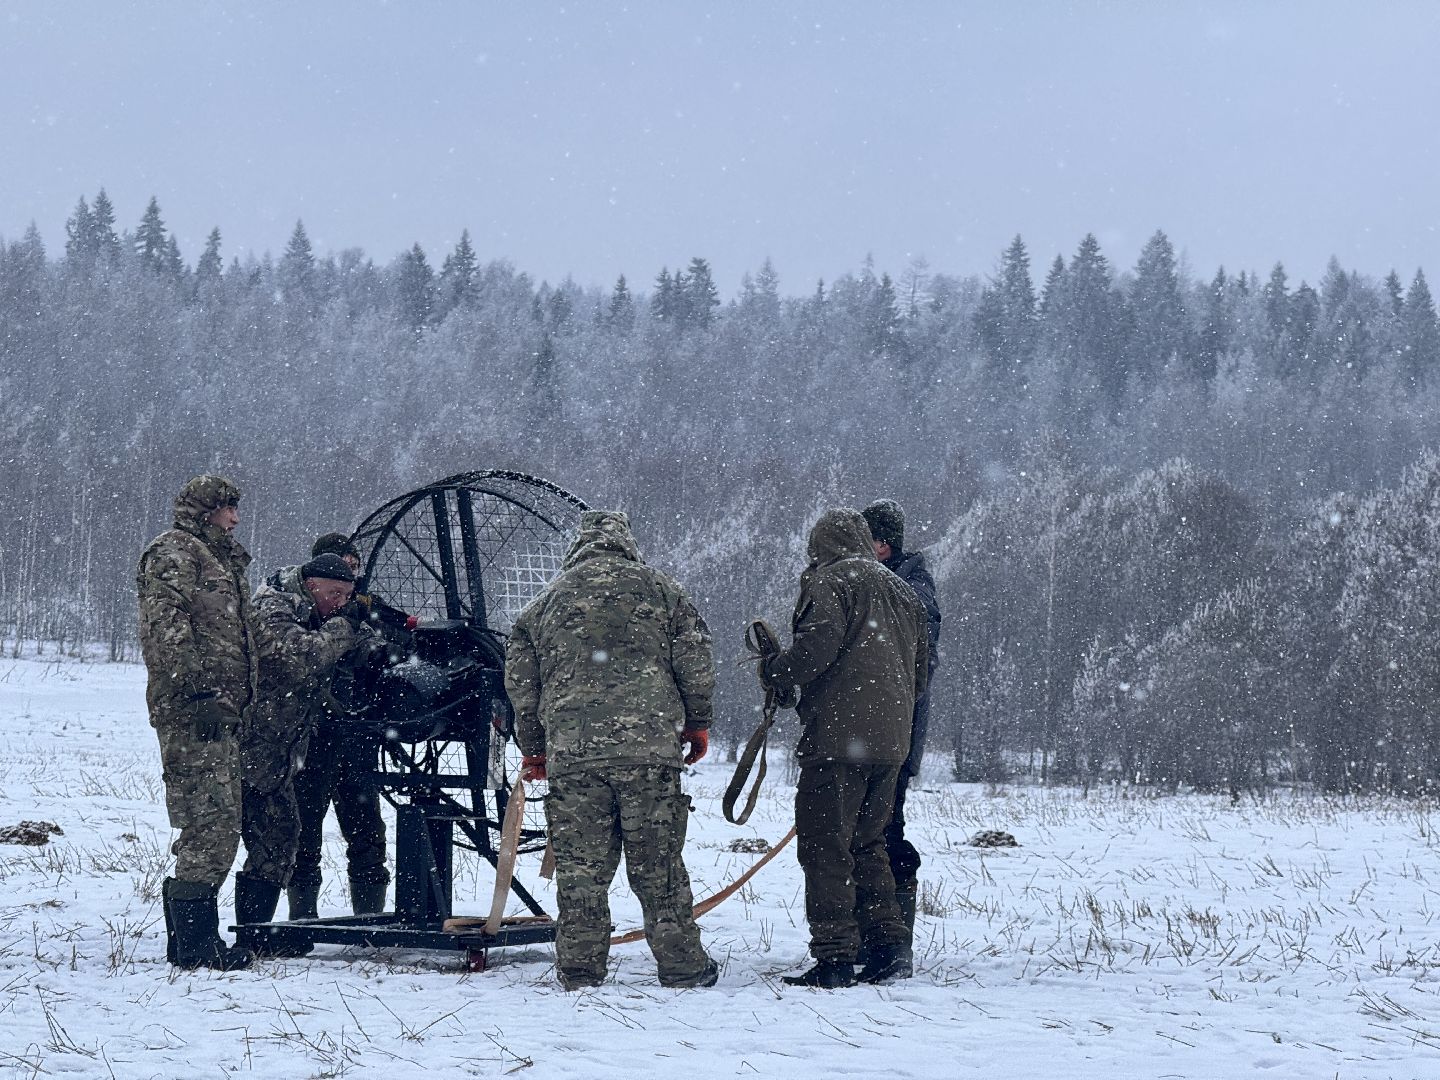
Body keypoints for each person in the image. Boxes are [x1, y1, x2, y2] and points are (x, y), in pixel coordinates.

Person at [504, 510, 718, 991]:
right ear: (627, 542)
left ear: (578, 546)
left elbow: (521, 685)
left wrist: (535, 749)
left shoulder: (542, 606)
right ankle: (682, 966)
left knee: (581, 871)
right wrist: (698, 723)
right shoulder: (663, 590)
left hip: (573, 757)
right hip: (648, 752)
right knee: (658, 865)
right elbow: (696, 660)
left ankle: (580, 969)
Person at [760, 507, 928, 988]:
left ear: (821, 546)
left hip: (838, 742)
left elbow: (816, 649)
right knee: (869, 845)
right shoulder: (901, 589)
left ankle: (834, 958)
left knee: (825, 848)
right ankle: (889, 949)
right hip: (891, 744)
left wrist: (776, 669)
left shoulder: (831, 582)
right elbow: (919, 670)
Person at [137, 474, 257, 971]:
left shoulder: (223, 559)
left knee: (221, 821)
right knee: (208, 823)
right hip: (194, 713)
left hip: (225, 711)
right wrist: (198, 690)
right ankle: (195, 948)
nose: (235, 518)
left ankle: (192, 943)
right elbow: (165, 627)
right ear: (207, 510)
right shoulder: (174, 553)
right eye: (228, 508)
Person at [237, 553, 369, 953]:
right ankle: (215, 934)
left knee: (280, 834)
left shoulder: (314, 610)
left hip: (278, 745)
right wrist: (345, 628)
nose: (338, 603)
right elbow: (299, 659)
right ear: (310, 585)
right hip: (249, 743)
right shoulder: (274, 604)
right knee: (228, 838)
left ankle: (254, 933)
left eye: (346, 597)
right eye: (333, 594)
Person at [288, 534, 391, 919]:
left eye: (353, 563)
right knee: (305, 831)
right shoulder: (297, 610)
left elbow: (388, 640)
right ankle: (302, 919)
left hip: (357, 735)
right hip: (313, 737)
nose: (350, 569)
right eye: (340, 563)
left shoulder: (365, 608)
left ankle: (369, 920)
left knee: (367, 833)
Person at [861, 498, 942, 952]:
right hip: (878, 733)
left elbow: (919, 660)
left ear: (884, 544)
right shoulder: (892, 581)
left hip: (894, 736)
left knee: (886, 832)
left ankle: (892, 941)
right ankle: (872, 936)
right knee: (867, 833)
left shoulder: (911, 586)